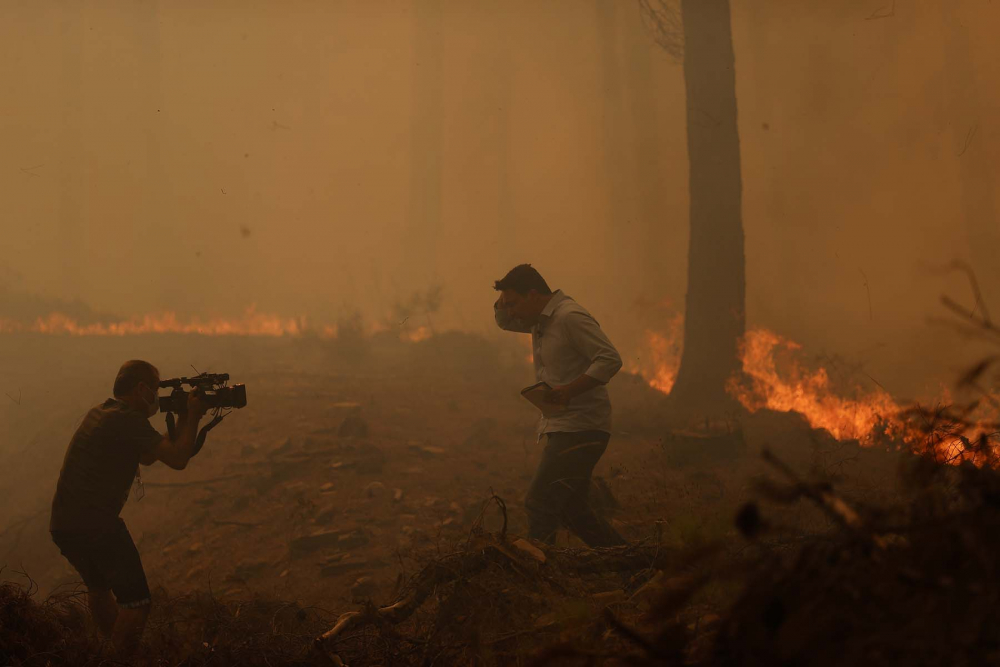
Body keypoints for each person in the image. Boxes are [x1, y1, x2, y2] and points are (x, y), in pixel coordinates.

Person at [49, 360, 209, 658]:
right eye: (156, 389)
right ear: (141, 389)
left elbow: (149, 456)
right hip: (96, 524)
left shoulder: (103, 412)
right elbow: (177, 459)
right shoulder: (126, 419)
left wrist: (184, 418)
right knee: (137, 603)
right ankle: (116, 660)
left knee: (99, 589)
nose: (157, 397)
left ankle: (114, 654)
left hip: (64, 524)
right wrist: (195, 416)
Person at [493, 264, 626, 547]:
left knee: (539, 502)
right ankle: (635, 564)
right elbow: (505, 321)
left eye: (514, 303)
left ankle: (540, 577)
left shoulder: (569, 317)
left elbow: (610, 359)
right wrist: (503, 299)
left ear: (533, 294)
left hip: (582, 427)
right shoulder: (539, 319)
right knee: (573, 511)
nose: (512, 311)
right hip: (565, 426)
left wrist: (568, 391)